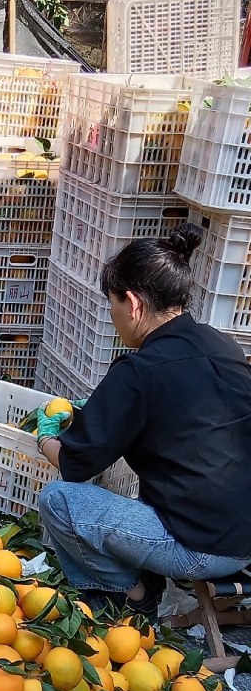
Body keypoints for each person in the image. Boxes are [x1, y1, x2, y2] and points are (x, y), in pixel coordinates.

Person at [35, 225, 251, 620]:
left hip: (200, 548)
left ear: (133, 304)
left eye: (113, 304)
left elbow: (75, 464)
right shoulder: (223, 344)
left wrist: (43, 435)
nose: (114, 315)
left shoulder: (139, 371)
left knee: (58, 500)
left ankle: (130, 596)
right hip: (243, 531)